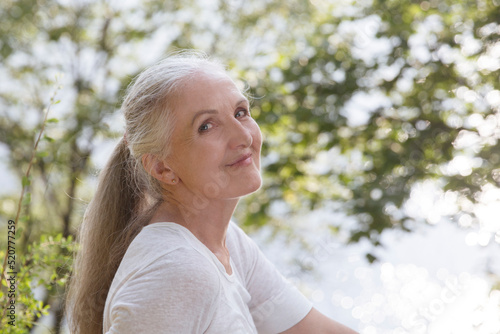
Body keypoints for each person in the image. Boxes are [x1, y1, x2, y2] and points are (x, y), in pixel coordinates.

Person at [65, 51, 358, 334]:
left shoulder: (226, 243)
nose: (243, 136)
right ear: (162, 167)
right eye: (206, 126)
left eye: (240, 112)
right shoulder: (177, 271)